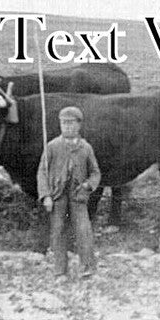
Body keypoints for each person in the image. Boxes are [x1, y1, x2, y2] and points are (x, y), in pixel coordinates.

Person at [37, 106, 102, 277]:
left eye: (71, 123)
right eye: (64, 123)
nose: (67, 126)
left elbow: (95, 173)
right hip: (57, 197)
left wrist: (88, 185)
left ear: (79, 125)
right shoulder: (52, 146)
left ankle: (87, 267)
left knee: (83, 230)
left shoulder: (85, 148)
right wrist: (45, 196)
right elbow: (42, 172)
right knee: (58, 231)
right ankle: (60, 270)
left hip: (78, 197)